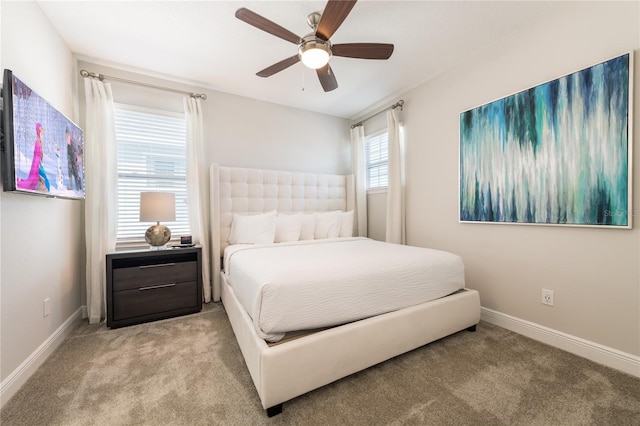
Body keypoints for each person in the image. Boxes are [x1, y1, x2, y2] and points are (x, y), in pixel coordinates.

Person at [17, 122, 50, 192]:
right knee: (44, 182)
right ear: (38, 132)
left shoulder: (40, 142)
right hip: (37, 164)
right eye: (41, 133)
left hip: (40, 164)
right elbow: (37, 155)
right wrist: (37, 166)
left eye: (42, 133)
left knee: (46, 182)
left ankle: (42, 185)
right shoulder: (37, 142)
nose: (42, 135)